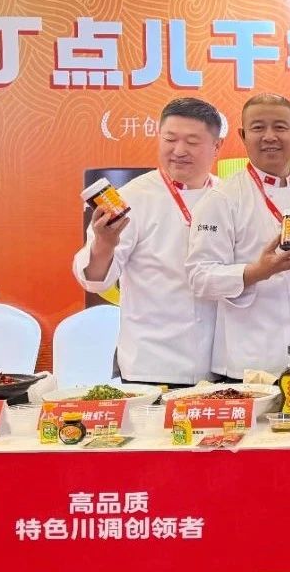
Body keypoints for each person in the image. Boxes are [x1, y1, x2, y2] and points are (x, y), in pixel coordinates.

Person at [71, 98, 223, 386]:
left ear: (217, 146)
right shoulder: (131, 198)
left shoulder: (228, 197)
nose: (179, 150)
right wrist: (104, 244)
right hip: (152, 365)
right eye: (170, 139)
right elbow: (95, 281)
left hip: (220, 365)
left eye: (192, 141)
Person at [186, 93, 290, 379]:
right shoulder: (222, 198)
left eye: (280, 127)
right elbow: (199, 277)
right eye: (258, 128)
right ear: (243, 135)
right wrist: (259, 271)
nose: (269, 136)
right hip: (253, 359)